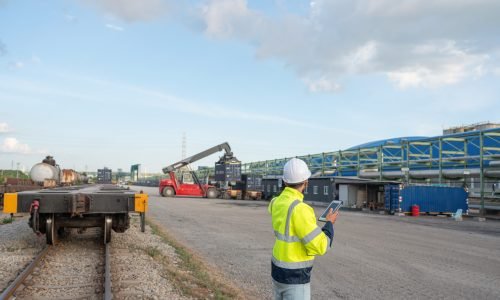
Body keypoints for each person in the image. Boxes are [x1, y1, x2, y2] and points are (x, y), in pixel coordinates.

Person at [268, 158, 338, 300]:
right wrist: (329, 224)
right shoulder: (301, 209)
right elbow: (320, 246)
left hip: (277, 270)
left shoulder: (275, 202)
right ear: (306, 182)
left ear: (285, 181)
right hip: (295, 275)